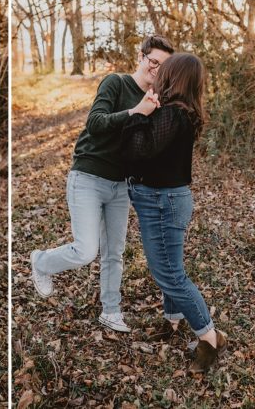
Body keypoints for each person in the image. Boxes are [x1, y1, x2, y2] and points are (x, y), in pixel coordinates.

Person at [29, 35, 175, 333]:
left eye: (164, 67)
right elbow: (95, 124)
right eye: (153, 62)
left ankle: (111, 311)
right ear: (141, 57)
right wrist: (136, 112)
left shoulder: (157, 101)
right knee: (85, 251)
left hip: (121, 185)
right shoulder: (115, 83)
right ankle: (41, 262)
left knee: (114, 253)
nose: (156, 70)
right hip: (88, 177)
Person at [120, 52, 227, 373]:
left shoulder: (172, 114)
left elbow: (140, 150)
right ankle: (173, 322)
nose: (159, 74)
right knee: (170, 267)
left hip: (161, 201)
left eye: (164, 71)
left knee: (168, 272)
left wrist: (138, 114)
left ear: (174, 77)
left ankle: (209, 337)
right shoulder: (183, 112)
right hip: (164, 198)